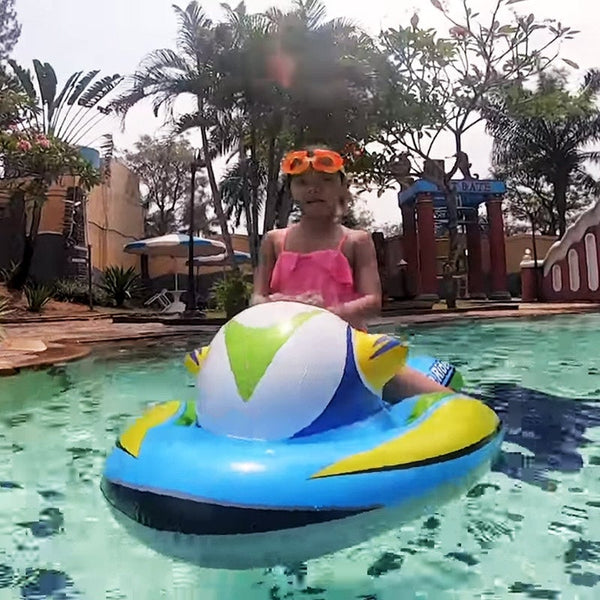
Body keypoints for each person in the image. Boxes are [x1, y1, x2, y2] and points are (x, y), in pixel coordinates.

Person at [252, 146, 449, 402]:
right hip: (286, 350)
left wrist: (325, 314)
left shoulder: (356, 241)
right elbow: (256, 297)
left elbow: (372, 301)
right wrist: (278, 305)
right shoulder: (274, 241)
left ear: (343, 187)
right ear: (291, 189)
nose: (313, 189)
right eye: (302, 182)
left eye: (325, 181)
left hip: (350, 349)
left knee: (446, 402)